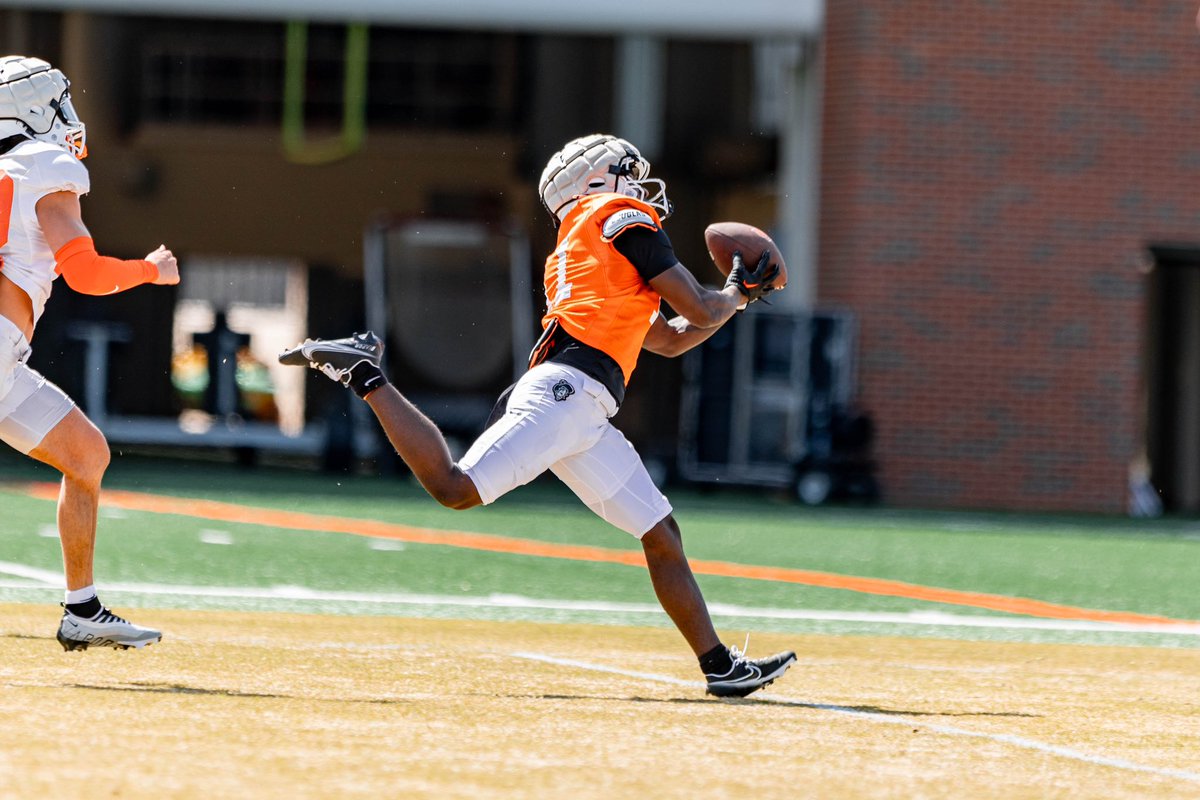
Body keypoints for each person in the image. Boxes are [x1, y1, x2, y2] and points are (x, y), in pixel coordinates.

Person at [281, 134, 793, 697]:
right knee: (456, 487)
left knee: (660, 531)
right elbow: (695, 306)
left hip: (585, 406)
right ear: (596, 183)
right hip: (568, 393)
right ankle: (365, 374)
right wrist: (734, 292)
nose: (640, 183)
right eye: (628, 170)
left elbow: (670, 340)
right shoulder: (620, 214)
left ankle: (717, 664)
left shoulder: (580, 248)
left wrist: (731, 298)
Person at [0, 55, 179, 650]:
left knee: (85, 454)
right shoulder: (43, 165)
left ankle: (81, 609)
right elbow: (86, 275)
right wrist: (149, 272)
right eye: (58, 101)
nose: (68, 114)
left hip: (8, 355)